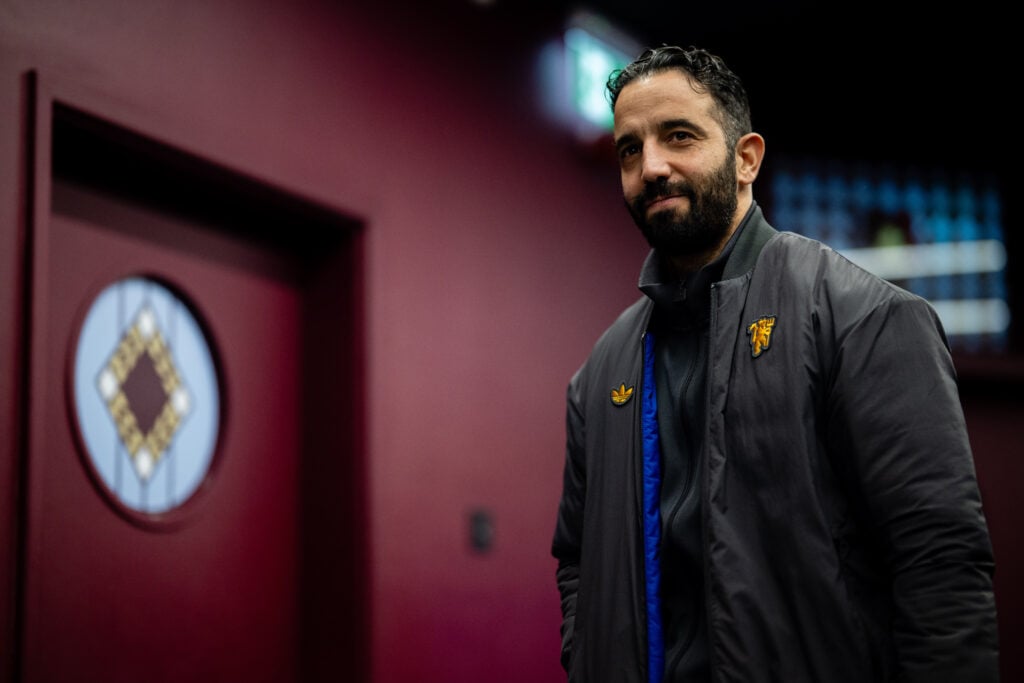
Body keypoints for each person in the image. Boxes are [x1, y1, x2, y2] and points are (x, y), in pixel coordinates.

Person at [550, 45, 999, 682]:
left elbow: (940, 565)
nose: (651, 167)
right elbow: (576, 559)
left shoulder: (861, 316)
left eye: (679, 136)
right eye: (630, 148)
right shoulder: (601, 373)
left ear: (746, 159)